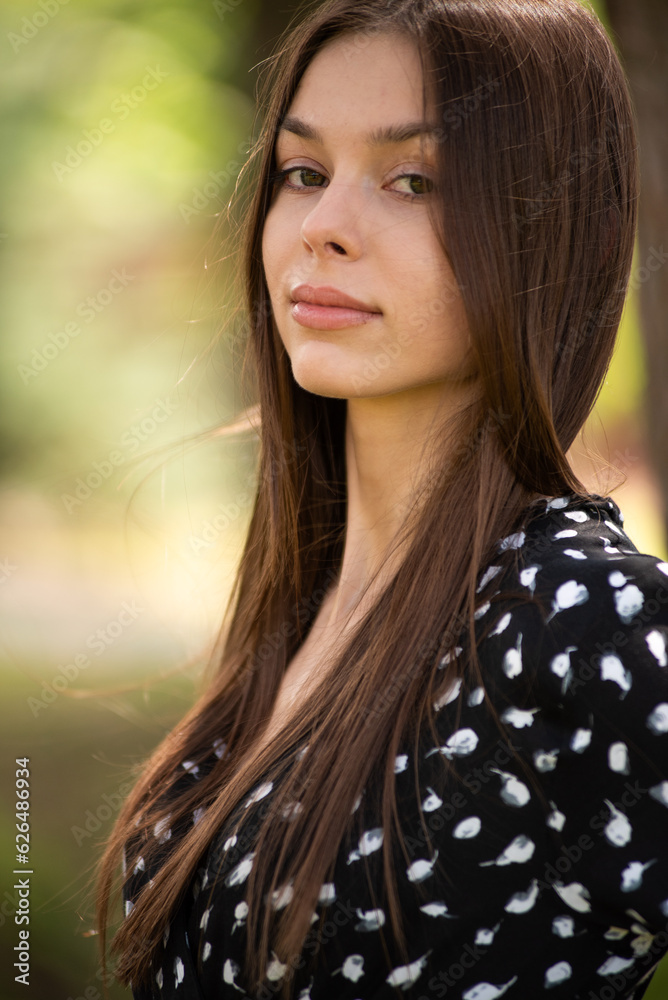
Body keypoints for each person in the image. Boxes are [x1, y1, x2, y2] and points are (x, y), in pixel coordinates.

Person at [96, 0, 668, 997]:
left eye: (411, 180)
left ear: (544, 224)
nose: (323, 228)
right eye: (302, 173)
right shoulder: (303, 608)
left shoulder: (579, 620)